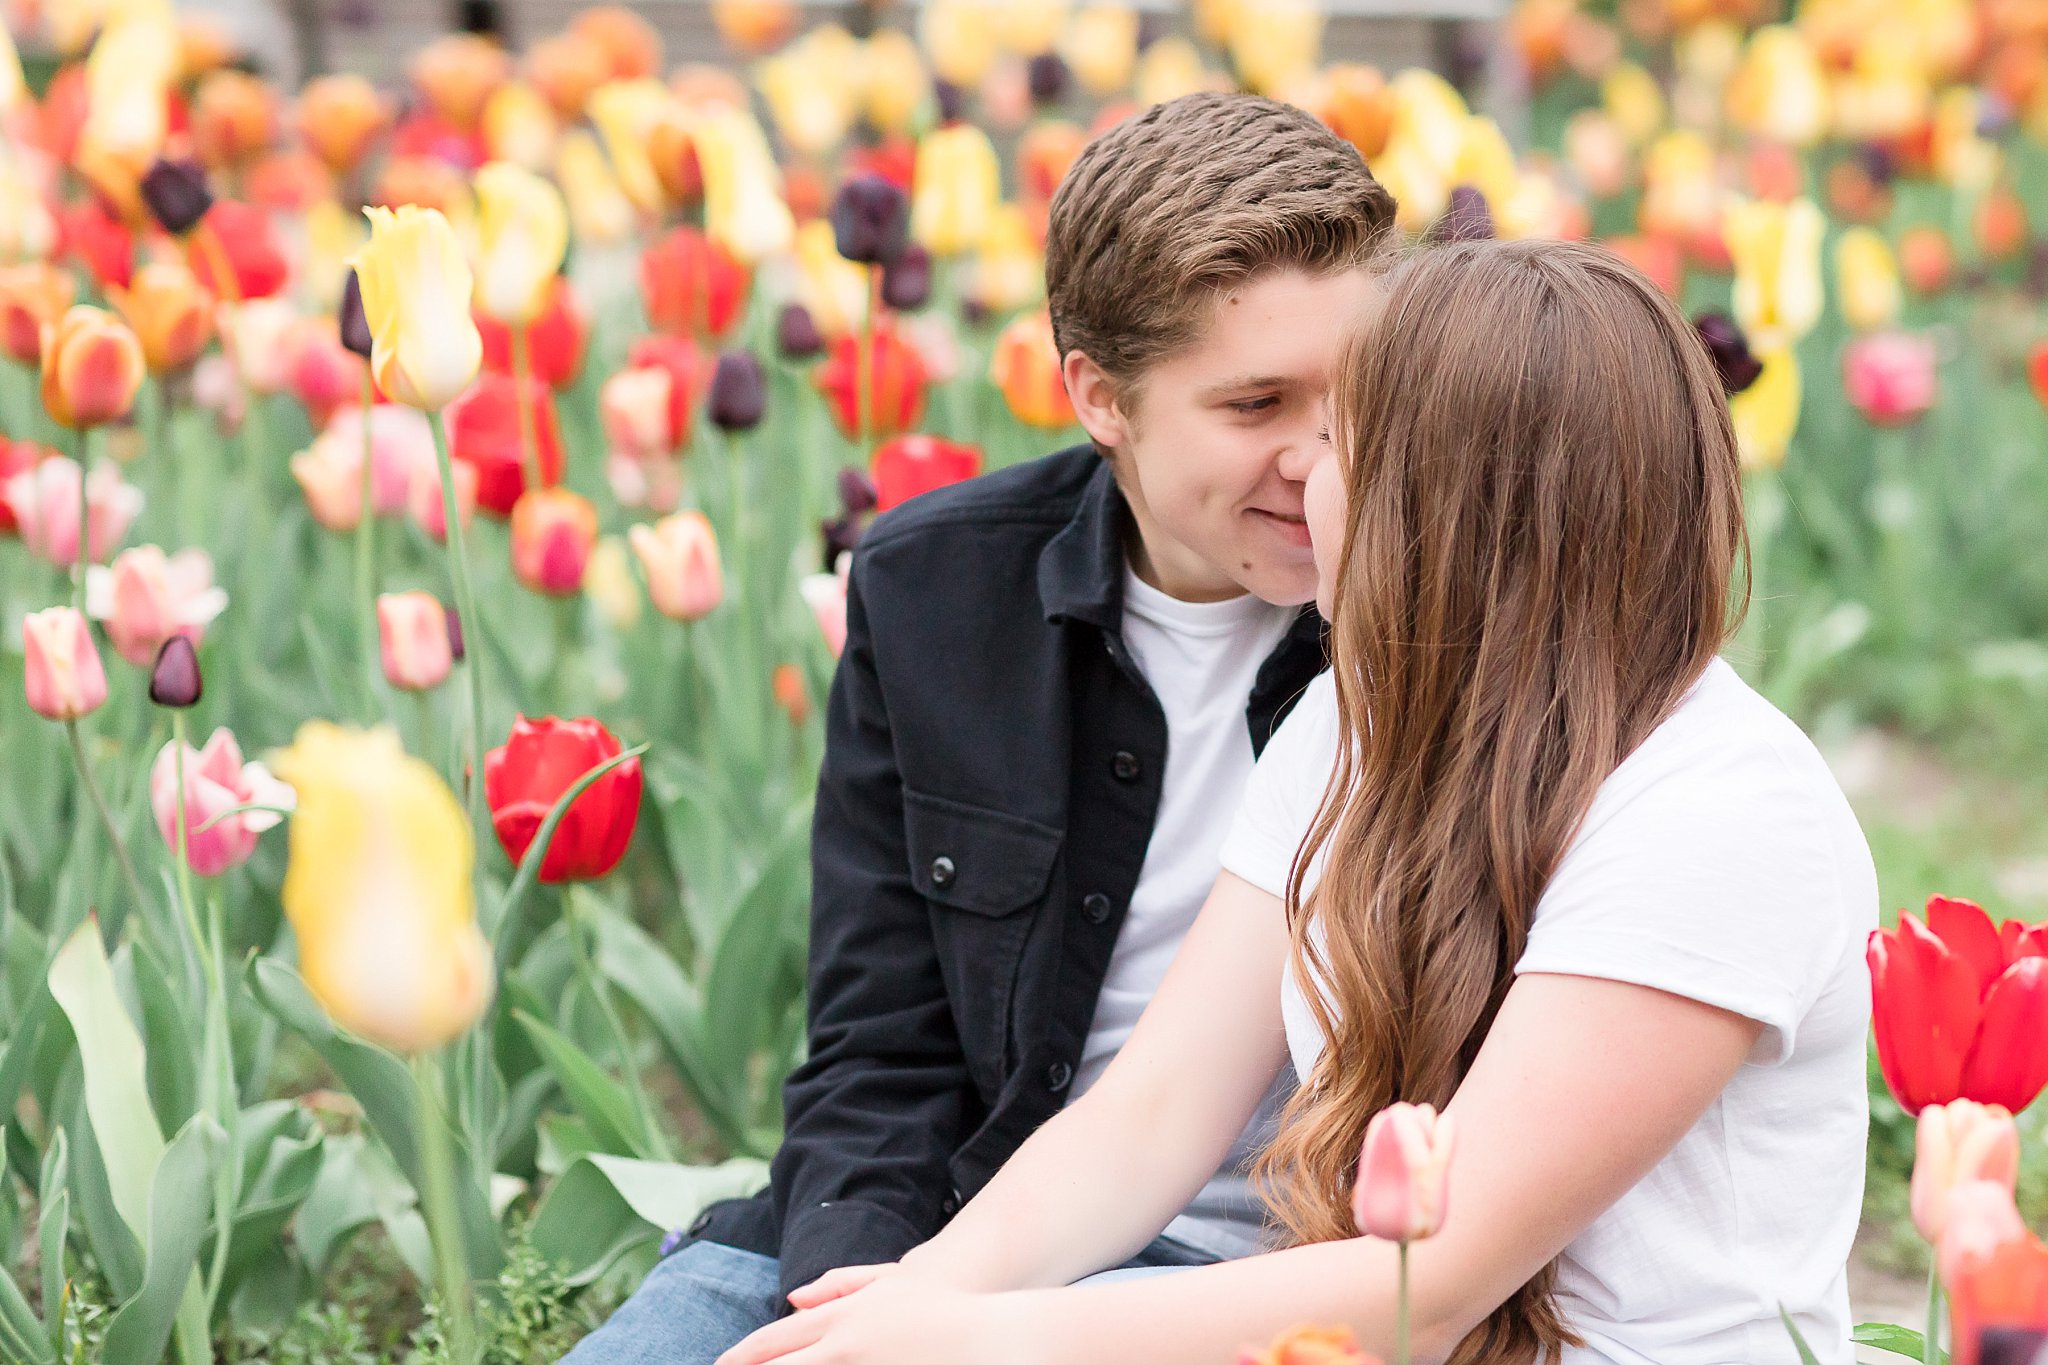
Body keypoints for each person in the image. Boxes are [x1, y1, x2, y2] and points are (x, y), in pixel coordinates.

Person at [710, 238, 1878, 1365]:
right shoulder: (1352, 725)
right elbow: (1151, 1114)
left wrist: (974, 1340)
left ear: (1437, 504)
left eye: (1336, 442)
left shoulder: (1717, 815)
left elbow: (1427, 1284)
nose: (1305, 478)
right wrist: (916, 1301)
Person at [560, 93, 1396, 1364]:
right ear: (1098, 398)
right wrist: (865, 1302)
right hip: (937, 1214)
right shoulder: (931, 593)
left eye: (1351, 393)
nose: (1317, 455)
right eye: (1253, 405)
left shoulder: (1435, 619)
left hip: (1239, 1269)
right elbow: (876, 1044)